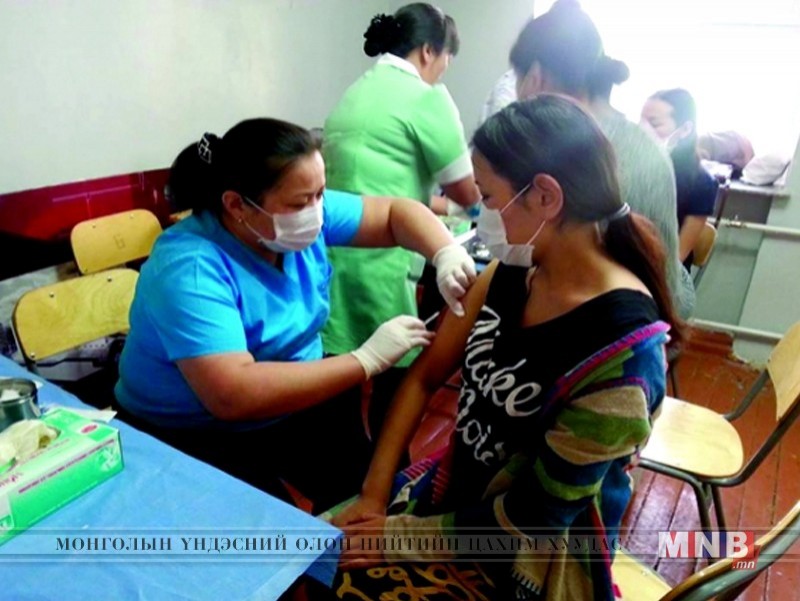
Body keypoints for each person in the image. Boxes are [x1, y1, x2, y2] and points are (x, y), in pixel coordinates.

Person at [322, 96, 679, 600]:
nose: (483, 216)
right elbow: (425, 376)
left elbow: (536, 517)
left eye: (489, 199)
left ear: (545, 196)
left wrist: (397, 537)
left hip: (527, 555)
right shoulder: (513, 270)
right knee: (309, 555)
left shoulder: (621, 356)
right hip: (455, 499)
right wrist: (373, 496)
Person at [114, 118, 476, 511]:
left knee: (370, 489)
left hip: (296, 393)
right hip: (193, 428)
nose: (317, 212)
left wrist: (445, 253)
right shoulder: (191, 268)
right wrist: (365, 360)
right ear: (236, 205)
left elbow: (395, 214)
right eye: (301, 203)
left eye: (320, 194)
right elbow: (231, 394)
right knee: (267, 529)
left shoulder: (294, 218)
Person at [321, 3, 481, 427]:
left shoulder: (355, 93)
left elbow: (381, 185)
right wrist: (479, 209)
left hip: (333, 253)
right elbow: (467, 191)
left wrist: (445, 207)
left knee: (340, 373)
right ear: (429, 51)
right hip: (382, 258)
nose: (443, 71)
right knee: (395, 384)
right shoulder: (427, 98)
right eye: (446, 60)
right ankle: (387, 463)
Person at [509, 0, 695, 319]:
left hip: (621, 320)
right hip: (665, 304)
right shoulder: (641, 140)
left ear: (535, 78)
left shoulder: (571, 149)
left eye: (517, 78)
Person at [641, 89, 720, 269]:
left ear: (685, 129)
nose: (643, 130)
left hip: (661, 272)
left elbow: (677, 257)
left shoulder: (702, 183)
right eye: (641, 121)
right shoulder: (630, 166)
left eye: (654, 123)